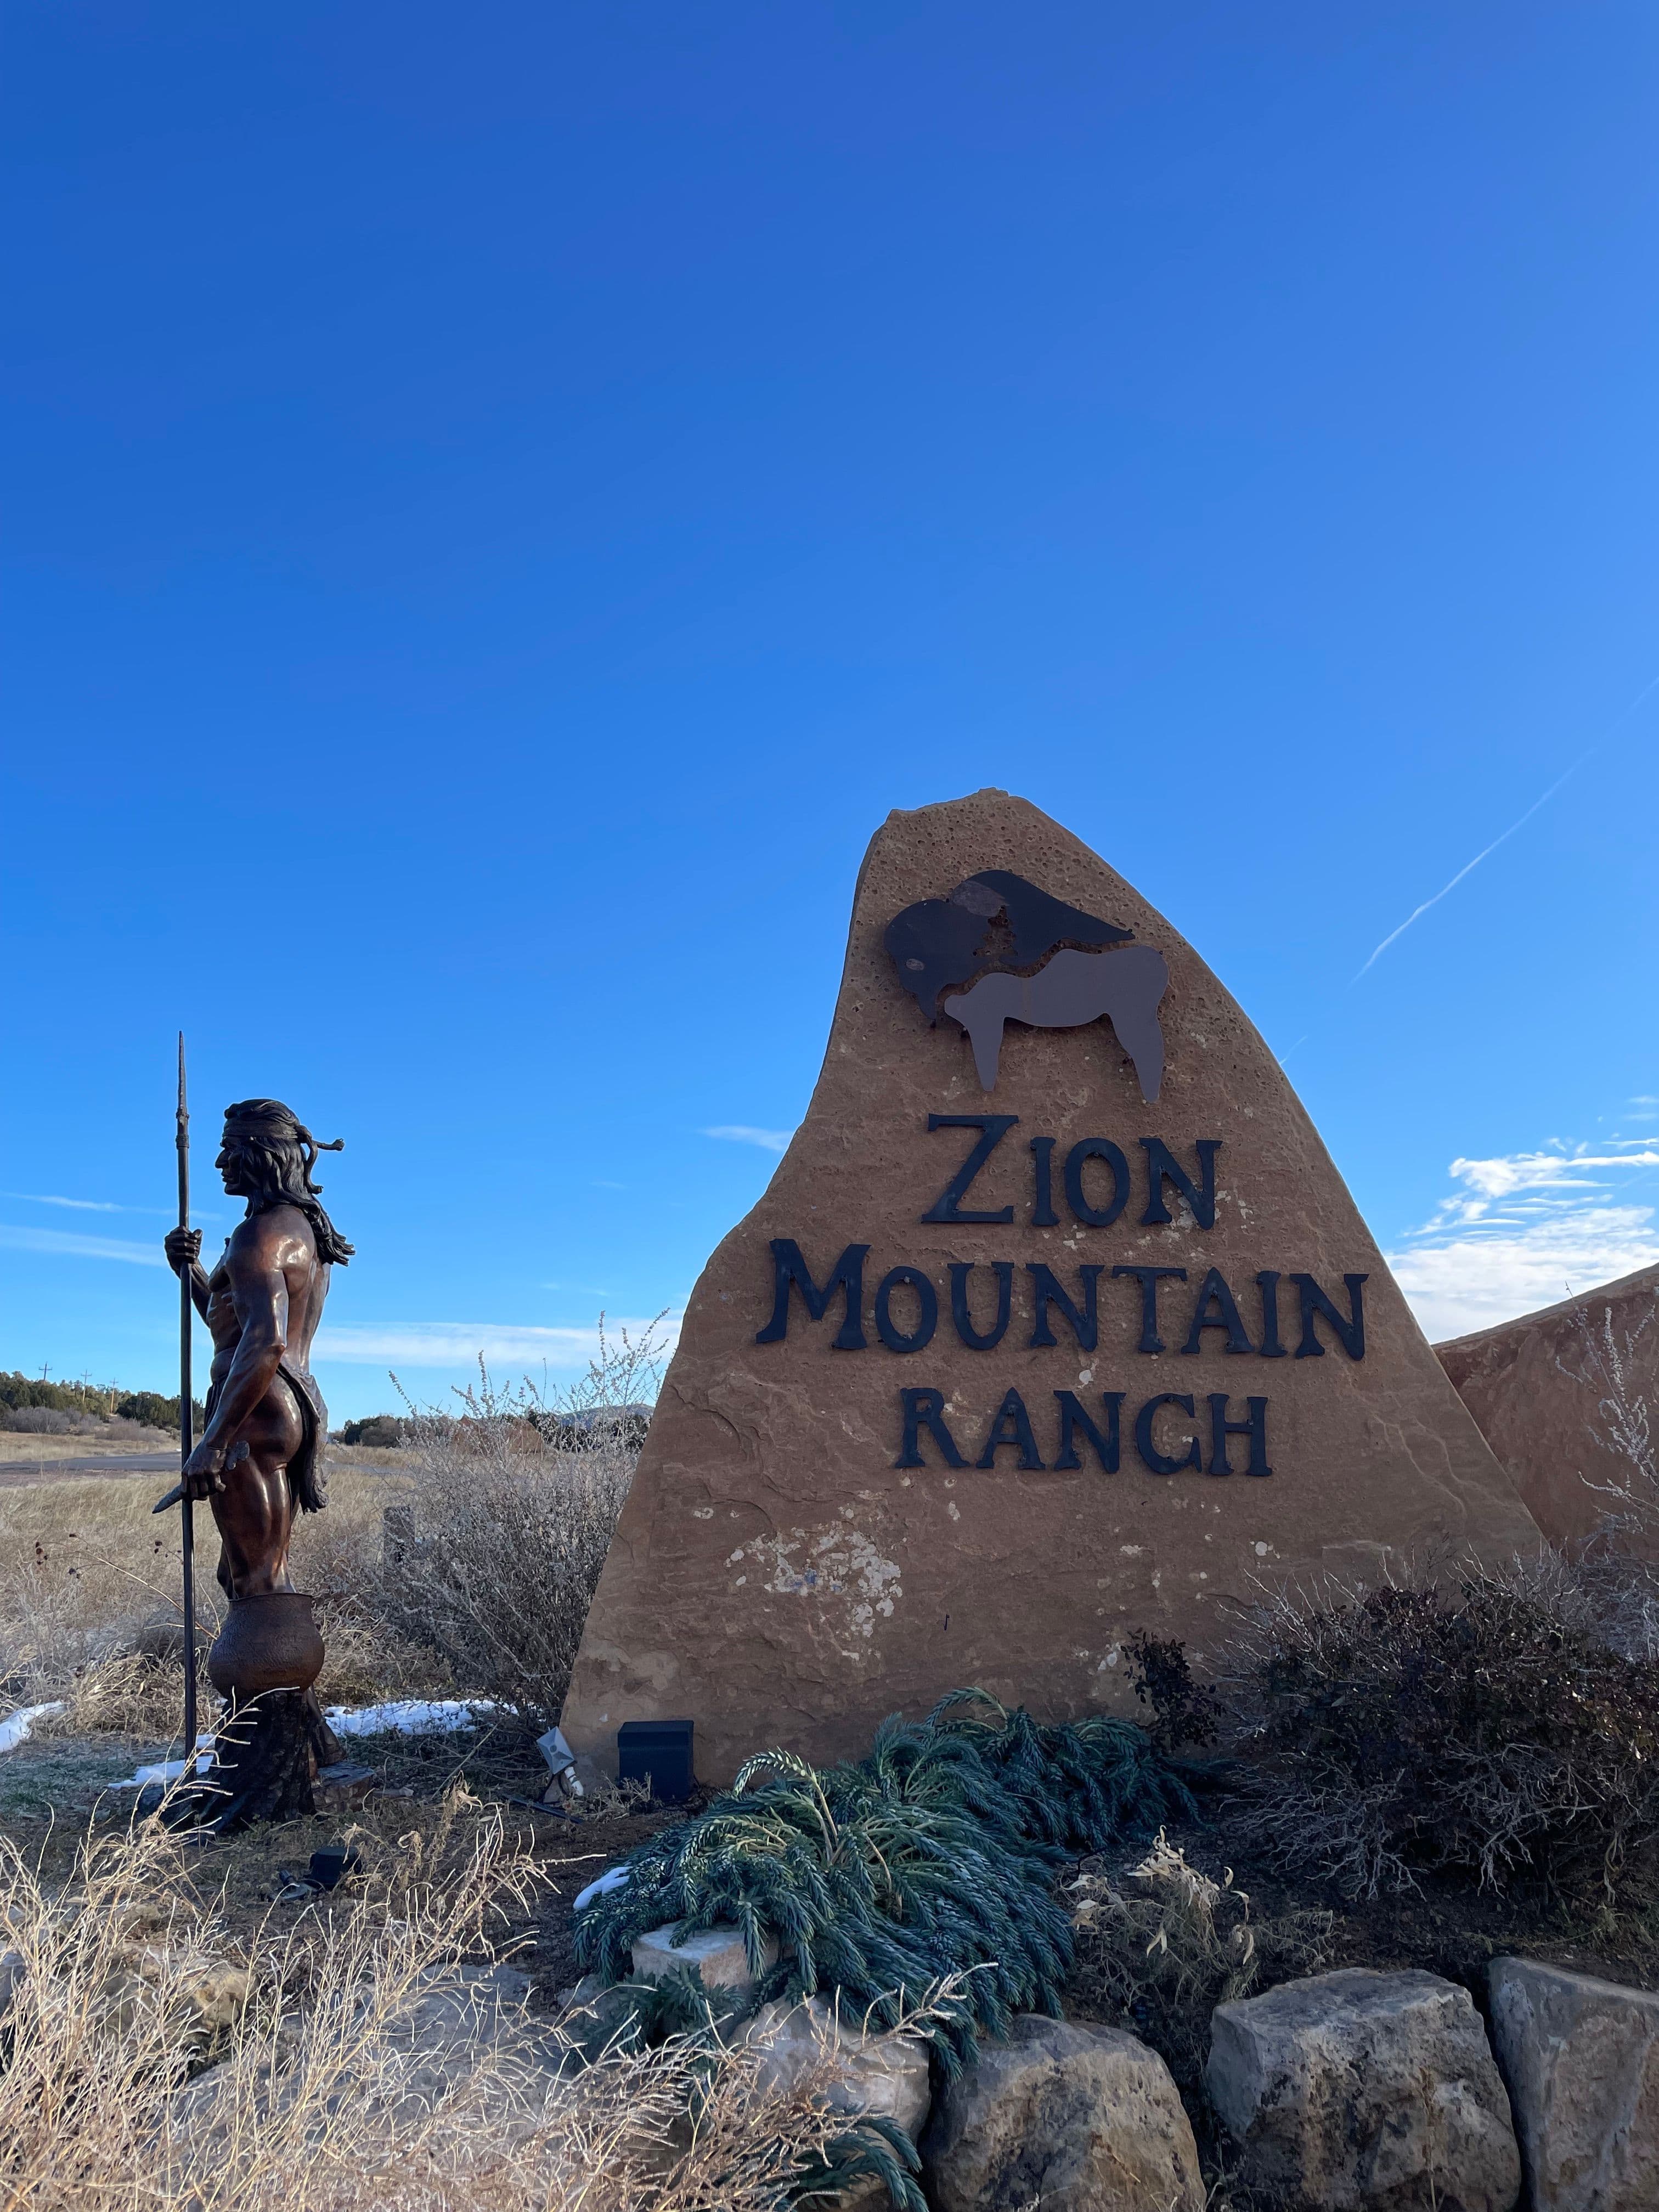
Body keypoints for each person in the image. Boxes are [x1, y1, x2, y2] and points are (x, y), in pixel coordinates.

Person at [163, 1099, 351, 1604]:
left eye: (229, 1150)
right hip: (282, 1405)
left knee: (259, 1583)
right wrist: (192, 1273)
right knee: (245, 1576)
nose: (220, 1164)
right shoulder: (300, 1231)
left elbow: (265, 1340)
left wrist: (214, 1443)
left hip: (254, 1412)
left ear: (260, 1153)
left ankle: (273, 1681)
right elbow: (229, 1325)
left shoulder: (259, 1238)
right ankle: (263, 1682)